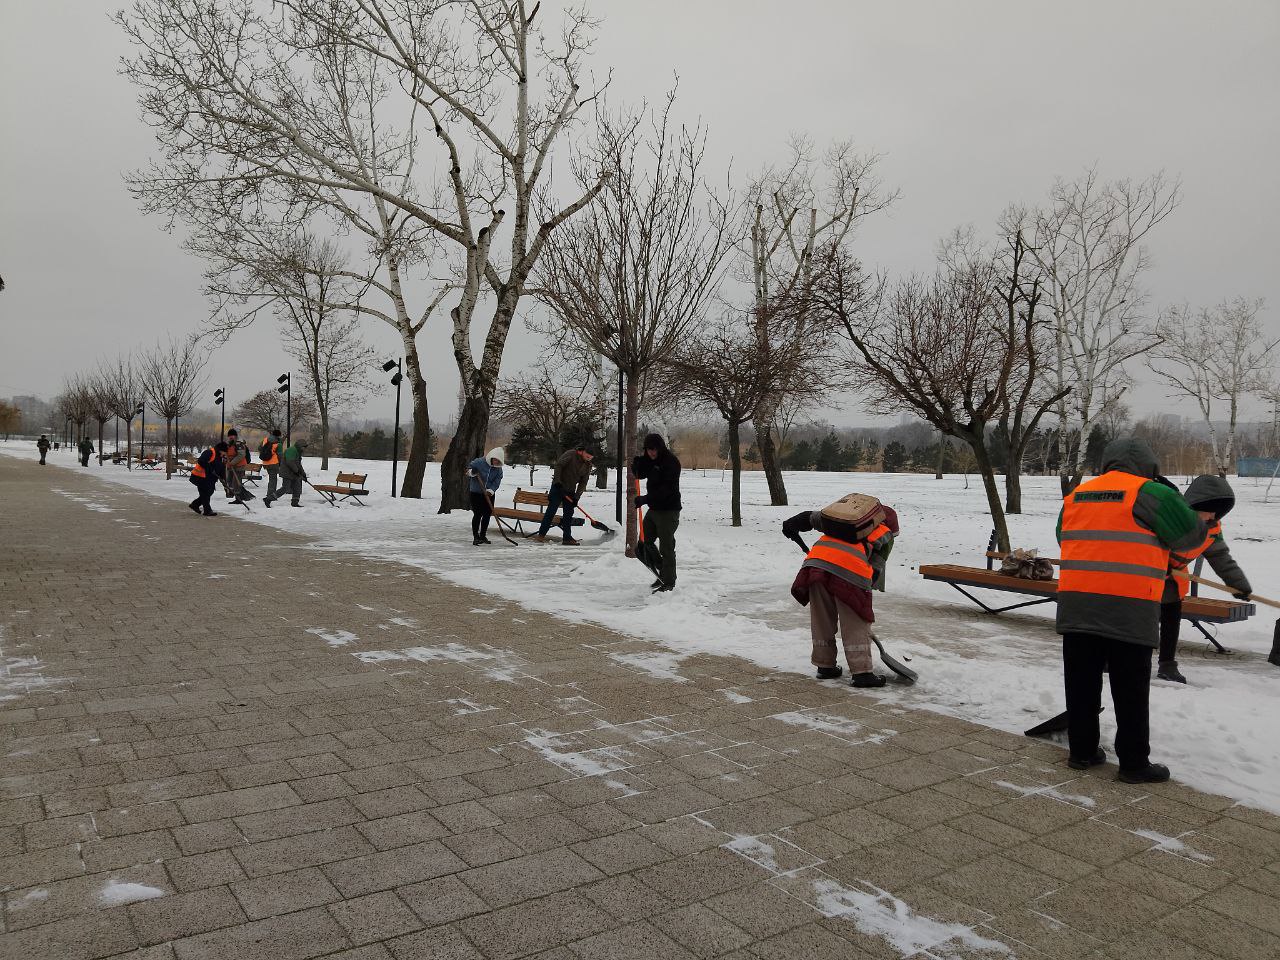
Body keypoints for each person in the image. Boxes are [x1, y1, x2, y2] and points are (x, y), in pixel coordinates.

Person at [1056, 437, 1208, 785]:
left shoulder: (1076, 495)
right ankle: (1134, 763)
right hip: (1130, 606)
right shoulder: (1153, 494)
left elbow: (1063, 537)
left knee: (1080, 680)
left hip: (1077, 602)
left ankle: (1082, 752)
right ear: (1150, 467)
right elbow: (1190, 538)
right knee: (1130, 686)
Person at [783, 494, 899, 688]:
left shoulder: (843, 521)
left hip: (815, 567)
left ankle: (825, 666)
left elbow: (806, 518)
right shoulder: (885, 536)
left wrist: (789, 525)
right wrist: (862, 602)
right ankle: (862, 673)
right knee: (855, 623)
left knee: (822, 620)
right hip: (849, 573)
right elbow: (874, 572)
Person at [1158, 474, 1252, 684]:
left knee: (1171, 621)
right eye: (1208, 509)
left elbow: (1220, 557)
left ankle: (1167, 665)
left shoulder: (1213, 528)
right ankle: (1113, 657)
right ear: (1193, 505)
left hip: (1173, 581)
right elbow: (1148, 543)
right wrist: (1159, 567)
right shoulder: (1170, 517)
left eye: (1217, 512)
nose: (1212, 516)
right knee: (1139, 620)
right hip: (1147, 575)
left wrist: (1238, 585)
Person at [633, 433, 682, 592]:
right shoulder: (650, 459)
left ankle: (669, 581)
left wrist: (645, 499)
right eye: (648, 450)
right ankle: (663, 568)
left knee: (666, 547)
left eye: (654, 450)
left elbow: (666, 490)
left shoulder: (671, 462)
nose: (651, 453)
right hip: (654, 510)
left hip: (669, 510)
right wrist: (637, 467)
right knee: (643, 543)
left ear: (660, 448)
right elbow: (641, 473)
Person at [531, 444, 593, 545]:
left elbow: (583, 482)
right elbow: (559, 465)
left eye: (590, 458)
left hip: (570, 491)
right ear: (583, 452)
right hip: (558, 488)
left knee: (568, 515)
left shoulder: (587, 465)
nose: (588, 459)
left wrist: (576, 497)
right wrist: (557, 482)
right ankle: (541, 535)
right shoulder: (571, 454)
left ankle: (567, 538)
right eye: (587, 456)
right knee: (551, 512)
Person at [467, 447, 505, 546]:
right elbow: (467, 470)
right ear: (491, 457)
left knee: (487, 514)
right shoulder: (479, 462)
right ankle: (476, 537)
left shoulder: (498, 468)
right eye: (495, 460)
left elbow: (498, 479)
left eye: (498, 461)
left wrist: (491, 490)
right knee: (478, 514)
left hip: (489, 494)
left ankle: (483, 535)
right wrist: (472, 472)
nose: (496, 462)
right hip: (476, 493)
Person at [188, 441, 228, 516]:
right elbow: (201, 461)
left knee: (209, 492)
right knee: (205, 493)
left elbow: (221, 469)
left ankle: (195, 505)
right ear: (221, 450)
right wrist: (210, 469)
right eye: (225, 452)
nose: (225, 454)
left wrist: (224, 480)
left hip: (209, 479)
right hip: (200, 476)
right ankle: (207, 510)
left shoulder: (220, 457)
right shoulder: (210, 452)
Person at [270, 438, 309, 508]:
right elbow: (290, 462)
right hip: (287, 472)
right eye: (304, 447)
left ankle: (295, 502)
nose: (304, 449)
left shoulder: (298, 452)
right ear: (300, 446)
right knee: (285, 488)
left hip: (293, 473)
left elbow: (298, 464)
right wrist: (297, 471)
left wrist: (303, 474)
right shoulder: (291, 450)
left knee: (297, 487)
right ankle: (269, 499)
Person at [223, 428, 253, 503]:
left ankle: (238, 498)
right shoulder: (229, 444)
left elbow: (241, 455)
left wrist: (232, 462)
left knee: (236, 482)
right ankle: (233, 494)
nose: (230, 437)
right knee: (229, 481)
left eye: (232, 436)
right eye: (229, 436)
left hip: (239, 466)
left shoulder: (239, 444)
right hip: (231, 466)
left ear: (235, 436)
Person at [259, 429, 283, 503]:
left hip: (265, 463)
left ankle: (269, 494)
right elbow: (280, 455)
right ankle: (270, 495)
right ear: (278, 435)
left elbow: (259, 448)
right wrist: (280, 464)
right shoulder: (278, 444)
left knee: (271, 479)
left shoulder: (265, 440)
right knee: (273, 480)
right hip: (273, 463)